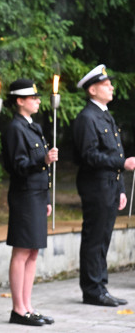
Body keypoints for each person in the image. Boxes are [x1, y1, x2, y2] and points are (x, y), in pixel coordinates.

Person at [73, 64, 135, 307]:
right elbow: (89, 156)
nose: (111, 87)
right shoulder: (87, 118)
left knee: (103, 237)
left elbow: (111, 151)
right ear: (92, 90)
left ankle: (100, 286)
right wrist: (123, 163)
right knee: (95, 238)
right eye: (106, 84)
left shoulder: (104, 115)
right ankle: (92, 289)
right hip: (95, 186)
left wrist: (120, 188)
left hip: (109, 185)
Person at [1, 79, 57, 326]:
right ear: (20, 101)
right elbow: (17, 166)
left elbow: (40, 170)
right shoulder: (15, 128)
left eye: (37, 97)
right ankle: (18, 309)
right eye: (33, 97)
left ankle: (28, 306)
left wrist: (46, 198)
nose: (38, 101)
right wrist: (43, 160)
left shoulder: (33, 126)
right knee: (22, 251)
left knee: (33, 251)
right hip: (24, 196)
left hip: (36, 196)